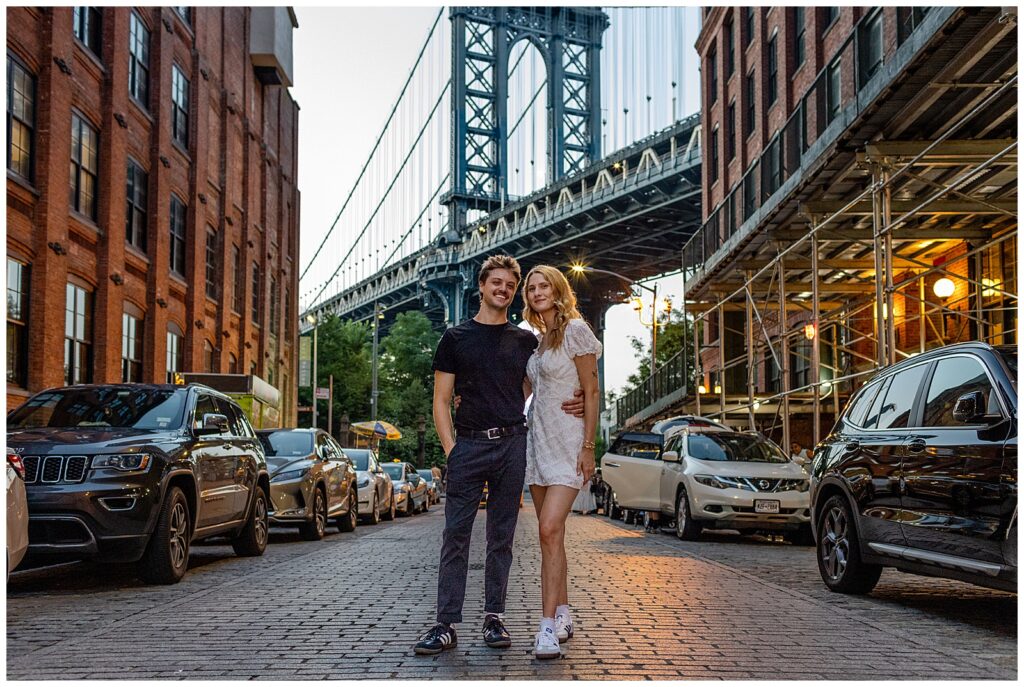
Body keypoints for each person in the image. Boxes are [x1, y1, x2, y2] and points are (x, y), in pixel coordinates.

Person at [414, 255, 583, 656]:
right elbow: (440, 402)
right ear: (482, 286)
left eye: (511, 285)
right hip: (468, 445)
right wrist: (452, 450)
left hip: (511, 445)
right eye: (497, 283)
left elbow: (541, 381)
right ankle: (445, 624)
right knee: (455, 535)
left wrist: (579, 399)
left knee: (501, 537)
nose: (503, 289)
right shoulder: (455, 338)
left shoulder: (525, 340)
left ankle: (495, 618)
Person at [521, 265, 602, 660]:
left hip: (568, 444)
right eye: (531, 287)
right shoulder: (534, 342)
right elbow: (519, 391)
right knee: (552, 536)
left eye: (544, 286)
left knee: (550, 528)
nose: (537, 292)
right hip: (538, 446)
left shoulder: (575, 330)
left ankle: (547, 627)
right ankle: (566, 612)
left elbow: (591, 389)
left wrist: (589, 446)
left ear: (558, 290)